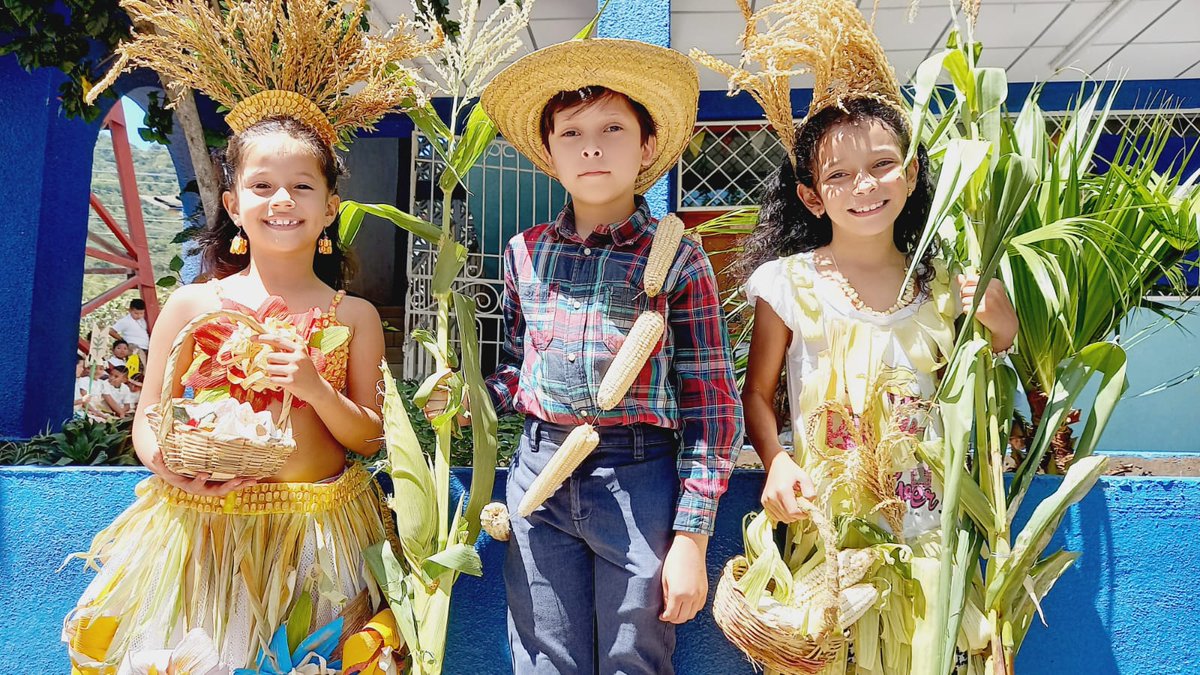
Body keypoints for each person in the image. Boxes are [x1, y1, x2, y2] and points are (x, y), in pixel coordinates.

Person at [62, 0, 432, 670]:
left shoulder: (354, 317)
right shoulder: (193, 304)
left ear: (330, 209)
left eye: (301, 186)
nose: (281, 200)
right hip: (201, 535)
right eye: (262, 185)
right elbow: (149, 417)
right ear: (233, 204)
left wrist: (314, 387)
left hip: (319, 538)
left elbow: (370, 436)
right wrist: (169, 463)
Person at [426, 38, 744, 674]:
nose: (592, 146)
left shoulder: (678, 258)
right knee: (543, 657)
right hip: (539, 474)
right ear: (549, 152)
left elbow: (711, 404)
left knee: (636, 656)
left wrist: (692, 535)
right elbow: (522, 371)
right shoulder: (524, 252)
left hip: (638, 478)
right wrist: (474, 399)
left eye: (613, 127)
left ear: (648, 146)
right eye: (571, 132)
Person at [728, 2, 1017, 672]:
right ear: (810, 195)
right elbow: (759, 396)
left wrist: (1001, 327)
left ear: (912, 174)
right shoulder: (788, 284)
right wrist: (775, 460)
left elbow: (983, 384)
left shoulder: (944, 287)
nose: (864, 185)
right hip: (831, 549)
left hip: (931, 546)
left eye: (884, 164)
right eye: (838, 174)